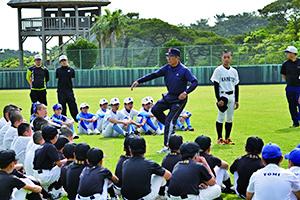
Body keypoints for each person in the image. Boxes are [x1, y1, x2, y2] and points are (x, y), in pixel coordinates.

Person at [131, 48, 198, 153]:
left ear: (177, 58)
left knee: (169, 121)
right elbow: (154, 75)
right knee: (155, 110)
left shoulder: (184, 70)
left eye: (171, 57)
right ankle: (171, 127)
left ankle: (167, 147)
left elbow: (195, 82)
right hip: (169, 96)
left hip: (179, 100)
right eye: (168, 56)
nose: (168, 59)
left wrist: (185, 92)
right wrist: (139, 81)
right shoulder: (166, 68)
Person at [210, 50, 240, 145]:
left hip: (232, 96)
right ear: (222, 58)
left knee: (230, 118)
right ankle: (220, 138)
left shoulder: (234, 71)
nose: (226, 59)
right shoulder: (218, 70)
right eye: (225, 57)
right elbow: (215, 85)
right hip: (223, 95)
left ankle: (227, 138)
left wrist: (237, 100)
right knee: (221, 117)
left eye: (228, 57)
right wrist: (218, 99)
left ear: (231, 58)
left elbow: (236, 86)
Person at [33, 126, 67, 191]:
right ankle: (56, 190)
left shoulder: (41, 147)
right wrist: (68, 159)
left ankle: (48, 189)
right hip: (45, 176)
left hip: (37, 175)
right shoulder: (50, 146)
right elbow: (59, 164)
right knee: (65, 167)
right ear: (55, 137)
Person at [280, 46, 300, 127]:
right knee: (292, 105)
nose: (286, 54)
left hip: (299, 87)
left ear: (292, 53)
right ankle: (295, 122)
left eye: (287, 53)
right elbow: (283, 74)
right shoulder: (285, 64)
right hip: (290, 87)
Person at [158, 134, 183, 199]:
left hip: (168, 190)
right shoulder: (183, 158)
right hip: (182, 191)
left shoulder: (165, 158)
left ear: (168, 146)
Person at [56, 55, 79, 122]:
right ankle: (63, 119)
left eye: (65, 60)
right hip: (61, 91)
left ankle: (76, 118)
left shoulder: (71, 70)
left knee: (72, 105)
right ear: (60, 62)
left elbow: (71, 79)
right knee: (62, 106)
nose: (64, 62)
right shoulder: (58, 70)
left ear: (67, 61)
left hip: (69, 91)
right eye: (62, 61)